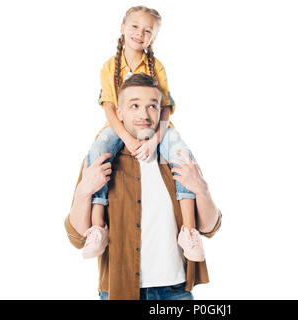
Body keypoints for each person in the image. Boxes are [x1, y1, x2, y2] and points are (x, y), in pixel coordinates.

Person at [64, 74, 222, 300]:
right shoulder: (103, 160)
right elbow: (78, 237)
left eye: (152, 106)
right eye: (134, 105)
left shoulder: (177, 157)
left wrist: (202, 190)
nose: (144, 115)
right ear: (119, 113)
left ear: (161, 111)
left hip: (175, 291)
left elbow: (209, 228)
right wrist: (83, 191)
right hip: (119, 289)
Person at [83, 5, 205, 263]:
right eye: (135, 26)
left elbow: (166, 109)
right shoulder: (109, 67)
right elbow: (109, 107)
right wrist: (127, 138)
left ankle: (189, 231)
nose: (140, 33)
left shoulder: (156, 67)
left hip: (157, 128)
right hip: (120, 126)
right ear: (122, 28)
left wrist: (155, 139)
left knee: (183, 155)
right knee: (97, 154)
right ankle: (97, 228)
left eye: (147, 30)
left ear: (153, 38)